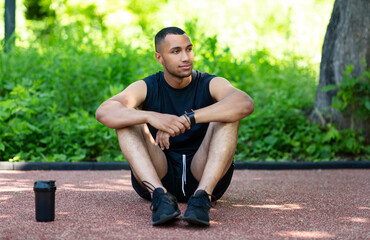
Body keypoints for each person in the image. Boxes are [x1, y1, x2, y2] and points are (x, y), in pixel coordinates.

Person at [95, 26, 254, 226]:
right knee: (127, 120)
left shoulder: (209, 83)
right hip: (160, 174)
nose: (186, 57)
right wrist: (152, 117)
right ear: (159, 58)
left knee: (229, 115)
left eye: (189, 49)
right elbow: (104, 112)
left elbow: (244, 103)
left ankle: (201, 199)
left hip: (202, 172)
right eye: (176, 51)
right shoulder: (147, 86)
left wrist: (189, 118)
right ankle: (160, 198)